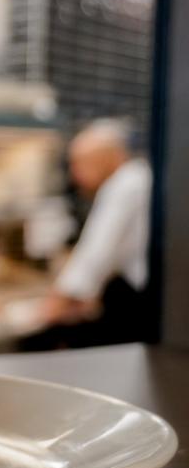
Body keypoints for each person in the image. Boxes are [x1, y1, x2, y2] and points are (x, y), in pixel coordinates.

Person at [37, 118, 152, 346]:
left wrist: (50, 309)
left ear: (108, 156)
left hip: (139, 304)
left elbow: (94, 255)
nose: (74, 174)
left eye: (79, 163)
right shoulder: (139, 177)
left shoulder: (125, 184)